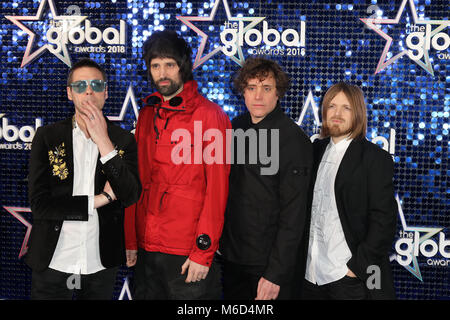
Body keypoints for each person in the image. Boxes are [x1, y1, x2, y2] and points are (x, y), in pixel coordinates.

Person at [124, 30, 231, 299]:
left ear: (183, 66)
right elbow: (137, 182)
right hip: (147, 249)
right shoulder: (147, 113)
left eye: (169, 65)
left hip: (186, 253)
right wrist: (130, 240)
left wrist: (202, 251)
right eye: (156, 66)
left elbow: (216, 191)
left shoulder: (211, 116)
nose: (162, 73)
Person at [26, 58, 142, 299]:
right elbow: (40, 205)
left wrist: (104, 143)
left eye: (96, 85)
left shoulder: (123, 141)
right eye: (80, 86)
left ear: (106, 92)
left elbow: (131, 195)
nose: (89, 90)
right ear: (69, 93)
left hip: (99, 261)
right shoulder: (47, 137)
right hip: (53, 259)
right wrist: (101, 199)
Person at [219, 57, 313, 300]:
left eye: (266, 88)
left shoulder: (293, 139)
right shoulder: (234, 128)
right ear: (243, 92)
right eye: (251, 88)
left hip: (268, 267)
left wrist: (275, 273)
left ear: (278, 93)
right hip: (231, 260)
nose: (258, 96)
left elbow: (294, 215)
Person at [301, 82, 397, 300]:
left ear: (358, 113)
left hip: (347, 279)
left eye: (346, 108)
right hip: (309, 277)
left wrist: (355, 269)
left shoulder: (374, 158)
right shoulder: (313, 152)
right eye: (332, 106)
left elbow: (384, 221)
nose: (337, 113)